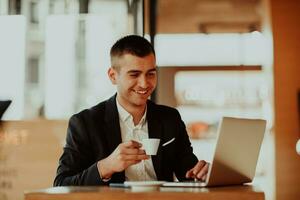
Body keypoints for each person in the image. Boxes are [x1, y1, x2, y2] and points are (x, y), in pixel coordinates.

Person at [54, 35, 209, 186]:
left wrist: (202, 173)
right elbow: (62, 184)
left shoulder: (170, 118)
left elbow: (189, 174)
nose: (144, 83)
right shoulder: (85, 123)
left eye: (151, 74)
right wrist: (106, 166)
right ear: (113, 76)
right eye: (134, 74)